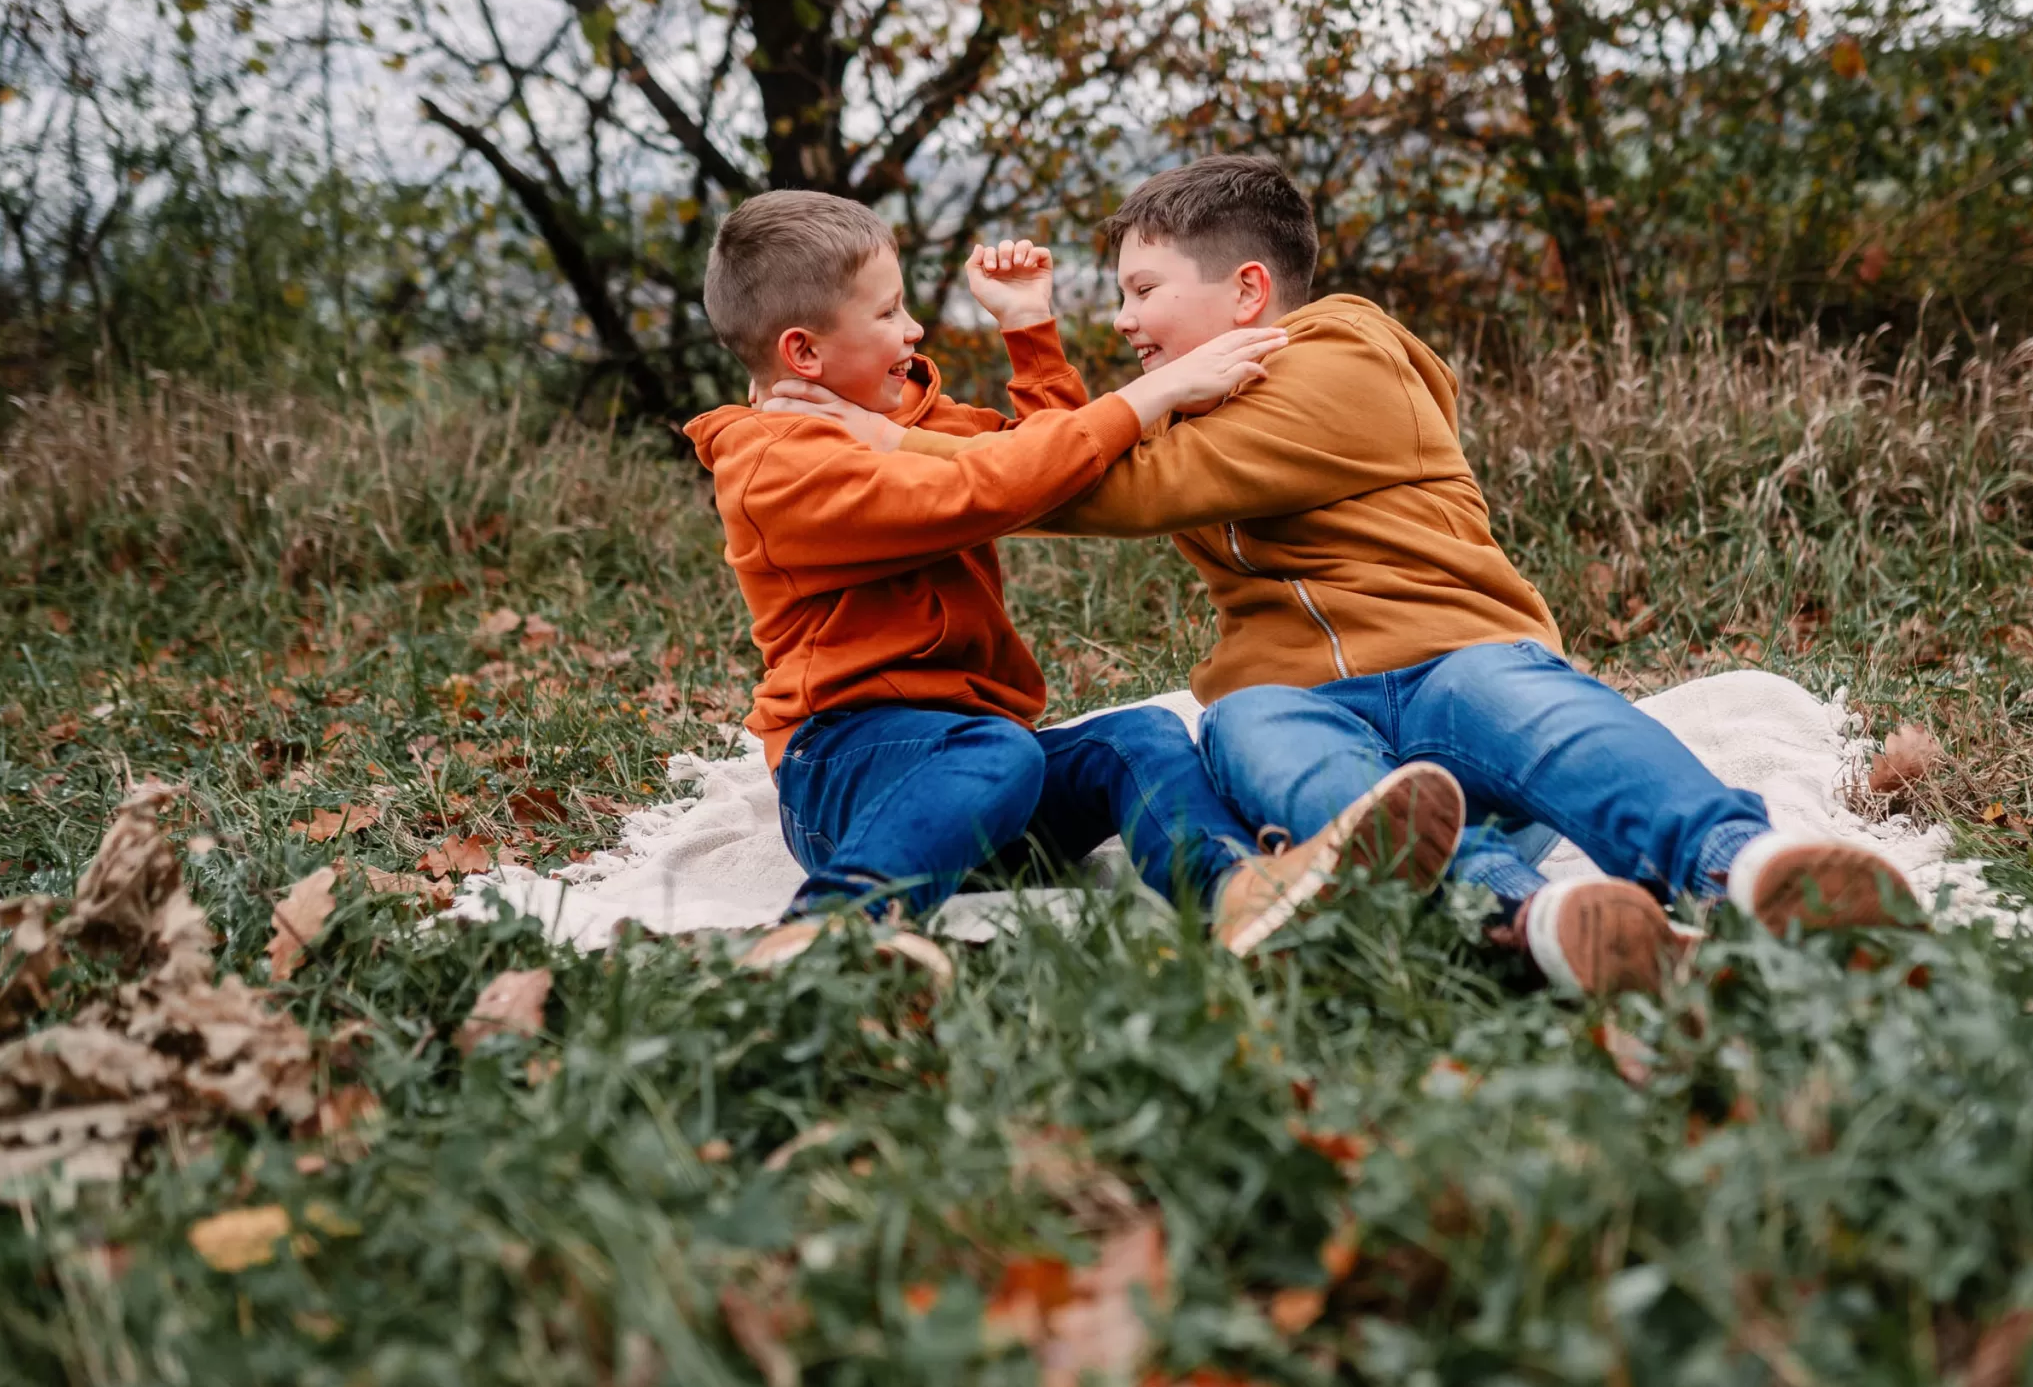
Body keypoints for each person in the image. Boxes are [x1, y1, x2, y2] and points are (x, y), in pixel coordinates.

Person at [760, 159, 1919, 995]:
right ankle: (1533, 915)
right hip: (1289, 693)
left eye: (1145, 291)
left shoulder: (1343, 360)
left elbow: (1107, 485)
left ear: (1249, 295)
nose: (1128, 323)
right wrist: (1037, 349)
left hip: (1450, 655)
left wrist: (888, 442)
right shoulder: (1199, 393)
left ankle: (1744, 867)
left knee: (1546, 721)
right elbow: (1078, 454)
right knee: (1259, 747)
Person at [684, 190, 1467, 977]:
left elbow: (1051, 461)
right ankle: (833, 927)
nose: (914, 330)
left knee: (1139, 736)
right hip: (844, 769)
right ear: (804, 353)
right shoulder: (770, 466)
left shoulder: (910, 420)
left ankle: (1235, 893)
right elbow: (977, 493)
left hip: (981, 772)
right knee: (998, 750)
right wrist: (1151, 394)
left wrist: (1029, 328)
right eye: (889, 313)